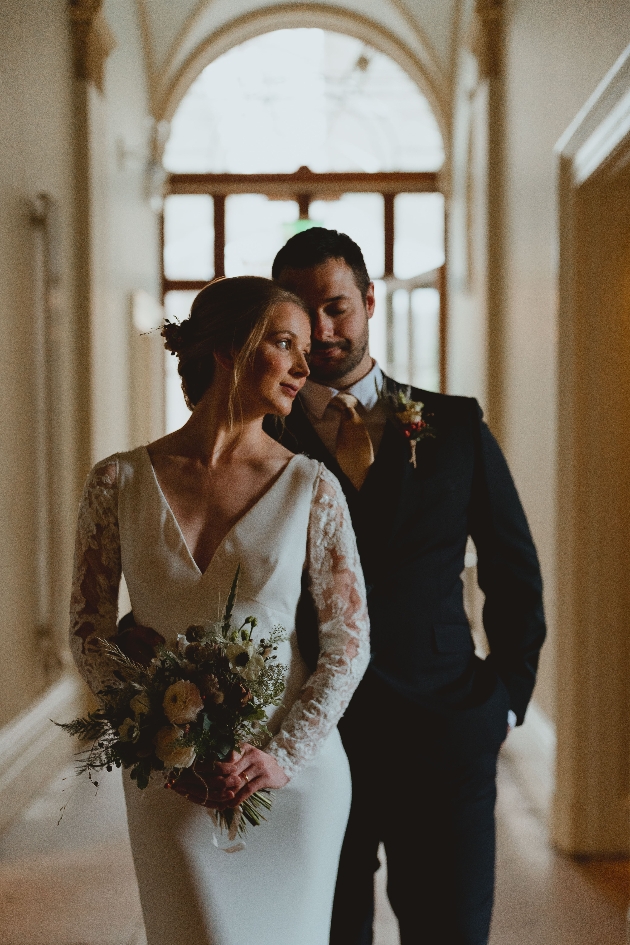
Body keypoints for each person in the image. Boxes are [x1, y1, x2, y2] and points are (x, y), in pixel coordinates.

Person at [68, 276, 370, 945]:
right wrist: (159, 736)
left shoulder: (312, 488)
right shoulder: (116, 482)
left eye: (305, 349)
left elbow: (351, 642)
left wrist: (283, 756)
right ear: (231, 348)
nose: (302, 364)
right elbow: (89, 631)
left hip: (292, 782)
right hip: (170, 779)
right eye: (284, 343)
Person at [269, 228, 547, 945]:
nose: (323, 332)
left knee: (450, 931)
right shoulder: (259, 441)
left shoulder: (454, 425)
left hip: (445, 730)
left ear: (367, 301)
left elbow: (513, 570)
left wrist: (504, 703)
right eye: (304, 317)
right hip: (312, 740)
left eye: (337, 308)